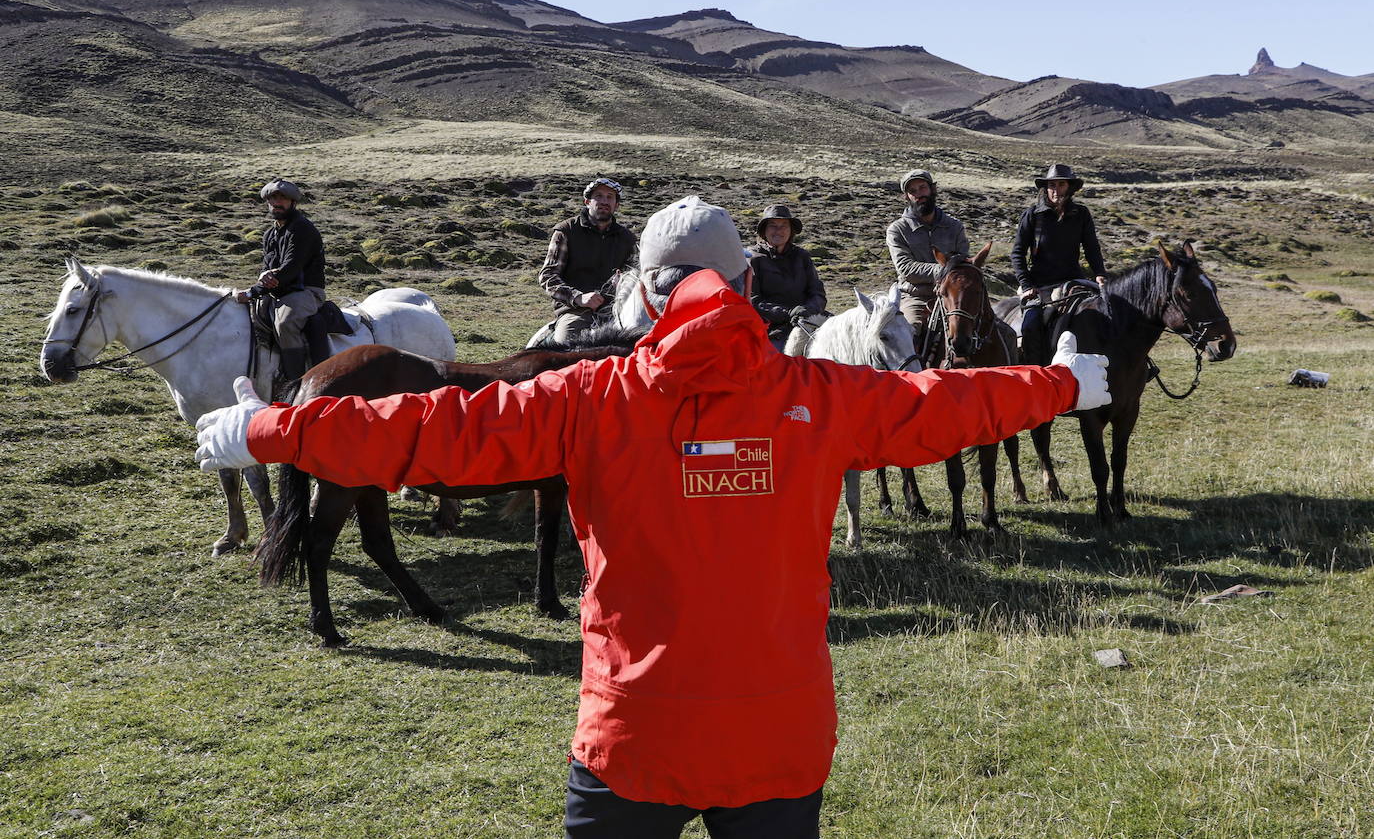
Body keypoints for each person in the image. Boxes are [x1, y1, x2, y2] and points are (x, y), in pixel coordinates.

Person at [196, 196, 1109, 838]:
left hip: (633, 735)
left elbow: (431, 429)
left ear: (645, 290)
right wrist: (1060, 384)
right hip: (781, 735)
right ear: (746, 280)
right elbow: (948, 404)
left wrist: (274, 428)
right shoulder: (821, 395)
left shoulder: (587, 397)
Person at [1010, 164, 1109, 365]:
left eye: (1061, 184)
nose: (1055, 189)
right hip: (1039, 285)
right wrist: (1027, 285)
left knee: (1108, 313)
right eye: (1051, 185)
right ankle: (1034, 369)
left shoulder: (1081, 214)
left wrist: (1099, 273)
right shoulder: (1033, 215)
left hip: (1073, 280)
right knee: (1030, 325)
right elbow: (1017, 253)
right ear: (1045, 188)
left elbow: (1091, 248)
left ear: (1069, 187)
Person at [234, 178, 325, 381]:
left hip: (305, 292)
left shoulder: (302, 229)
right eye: (272, 199)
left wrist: (252, 292)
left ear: (293, 202)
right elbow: (268, 270)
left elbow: (290, 270)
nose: (277, 203)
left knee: (285, 323)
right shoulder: (269, 234)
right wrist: (263, 282)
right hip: (276, 291)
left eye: (282, 198)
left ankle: (297, 381)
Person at [538, 177, 637, 343]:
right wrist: (578, 297)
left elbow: (637, 276)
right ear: (587, 201)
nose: (604, 201)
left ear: (616, 205)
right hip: (576, 312)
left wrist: (624, 282)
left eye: (610, 197)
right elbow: (548, 276)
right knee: (566, 351)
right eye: (598, 196)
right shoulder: (566, 231)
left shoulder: (627, 239)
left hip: (617, 312)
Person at [885, 168, 970, 346]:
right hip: (916, 297)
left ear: (933, 189)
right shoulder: (898, 230)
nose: (919, 194)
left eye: (922, 188)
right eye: (912, 191)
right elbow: (906, 269)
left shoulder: (954, 227)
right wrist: (945, 269)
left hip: (953, 296)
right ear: (906, 197)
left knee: (992, 328)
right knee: (909, 333)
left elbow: (964, 264)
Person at [748, 204, 826, 351]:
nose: (778, 230)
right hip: (771, 329)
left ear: (791, 231)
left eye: (784, 225)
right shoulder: (753, 259)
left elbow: (818, 293)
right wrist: (788, 313)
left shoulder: (802, 256)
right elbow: (753, 301)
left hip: (807, 321)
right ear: (764, 230)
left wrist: (807, 311)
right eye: (773, 226)